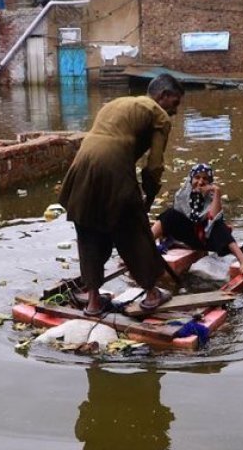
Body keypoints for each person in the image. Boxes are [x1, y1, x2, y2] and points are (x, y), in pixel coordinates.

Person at [58, 73, 184, 317]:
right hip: (112, 167)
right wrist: (148, 197)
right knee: (134, 232)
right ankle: (151, 293)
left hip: (81, 164)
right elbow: (154, 165)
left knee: (89, 231)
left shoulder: (118, 103)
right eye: (175, 103)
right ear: (163, 96)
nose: (175, 111)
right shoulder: (159, 115)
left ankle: (94, 302)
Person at [151, 163, 243, 275]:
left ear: (209, 182)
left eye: (205, 179)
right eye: (197, 178)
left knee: (218, 225)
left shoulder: (212, 197)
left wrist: (216, 191)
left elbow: (213, 218)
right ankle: (145, 242)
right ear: (191, 179)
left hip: (207, 239)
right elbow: (177, 220)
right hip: (187, 237)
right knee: (169, 214)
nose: (200, 182)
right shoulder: (182, 194)